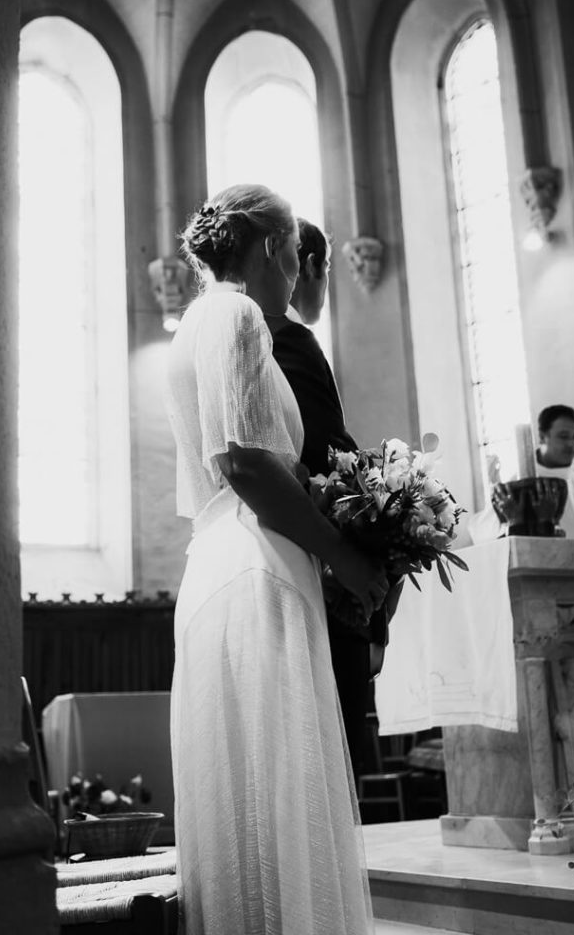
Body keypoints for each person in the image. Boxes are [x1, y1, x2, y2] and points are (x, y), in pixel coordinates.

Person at [166, 184, 387, 935]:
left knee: (249, 805)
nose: (295, 275)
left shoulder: (194, 322)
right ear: (270, 248)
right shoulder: (237, 315)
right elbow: (245, 462)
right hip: (259, 567)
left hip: (216, 565)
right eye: (295, 256)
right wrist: (344, 557)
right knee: (289, 802)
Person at [270, 217, 400, 781]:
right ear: (311, 266)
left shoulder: (259, 336)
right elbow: (326, 454)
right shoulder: (290, 338)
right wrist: (388, 508)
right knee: (333, 756)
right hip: (322, 564)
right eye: (323, 270)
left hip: (289, 550)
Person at [468, 404, 574, 542]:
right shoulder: (518, 484)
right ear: (542, 437)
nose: (571, 444)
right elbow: (486, 533)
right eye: (563, 437)